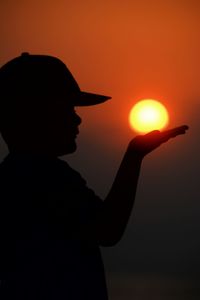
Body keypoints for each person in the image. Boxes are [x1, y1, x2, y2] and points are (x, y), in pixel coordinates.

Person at [0, 53, 188, 300]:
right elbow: (107, 229)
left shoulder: (13, 177)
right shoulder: (47, 178)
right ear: (37, 115)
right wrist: (134, 156)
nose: (77, 119)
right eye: (67, 108)